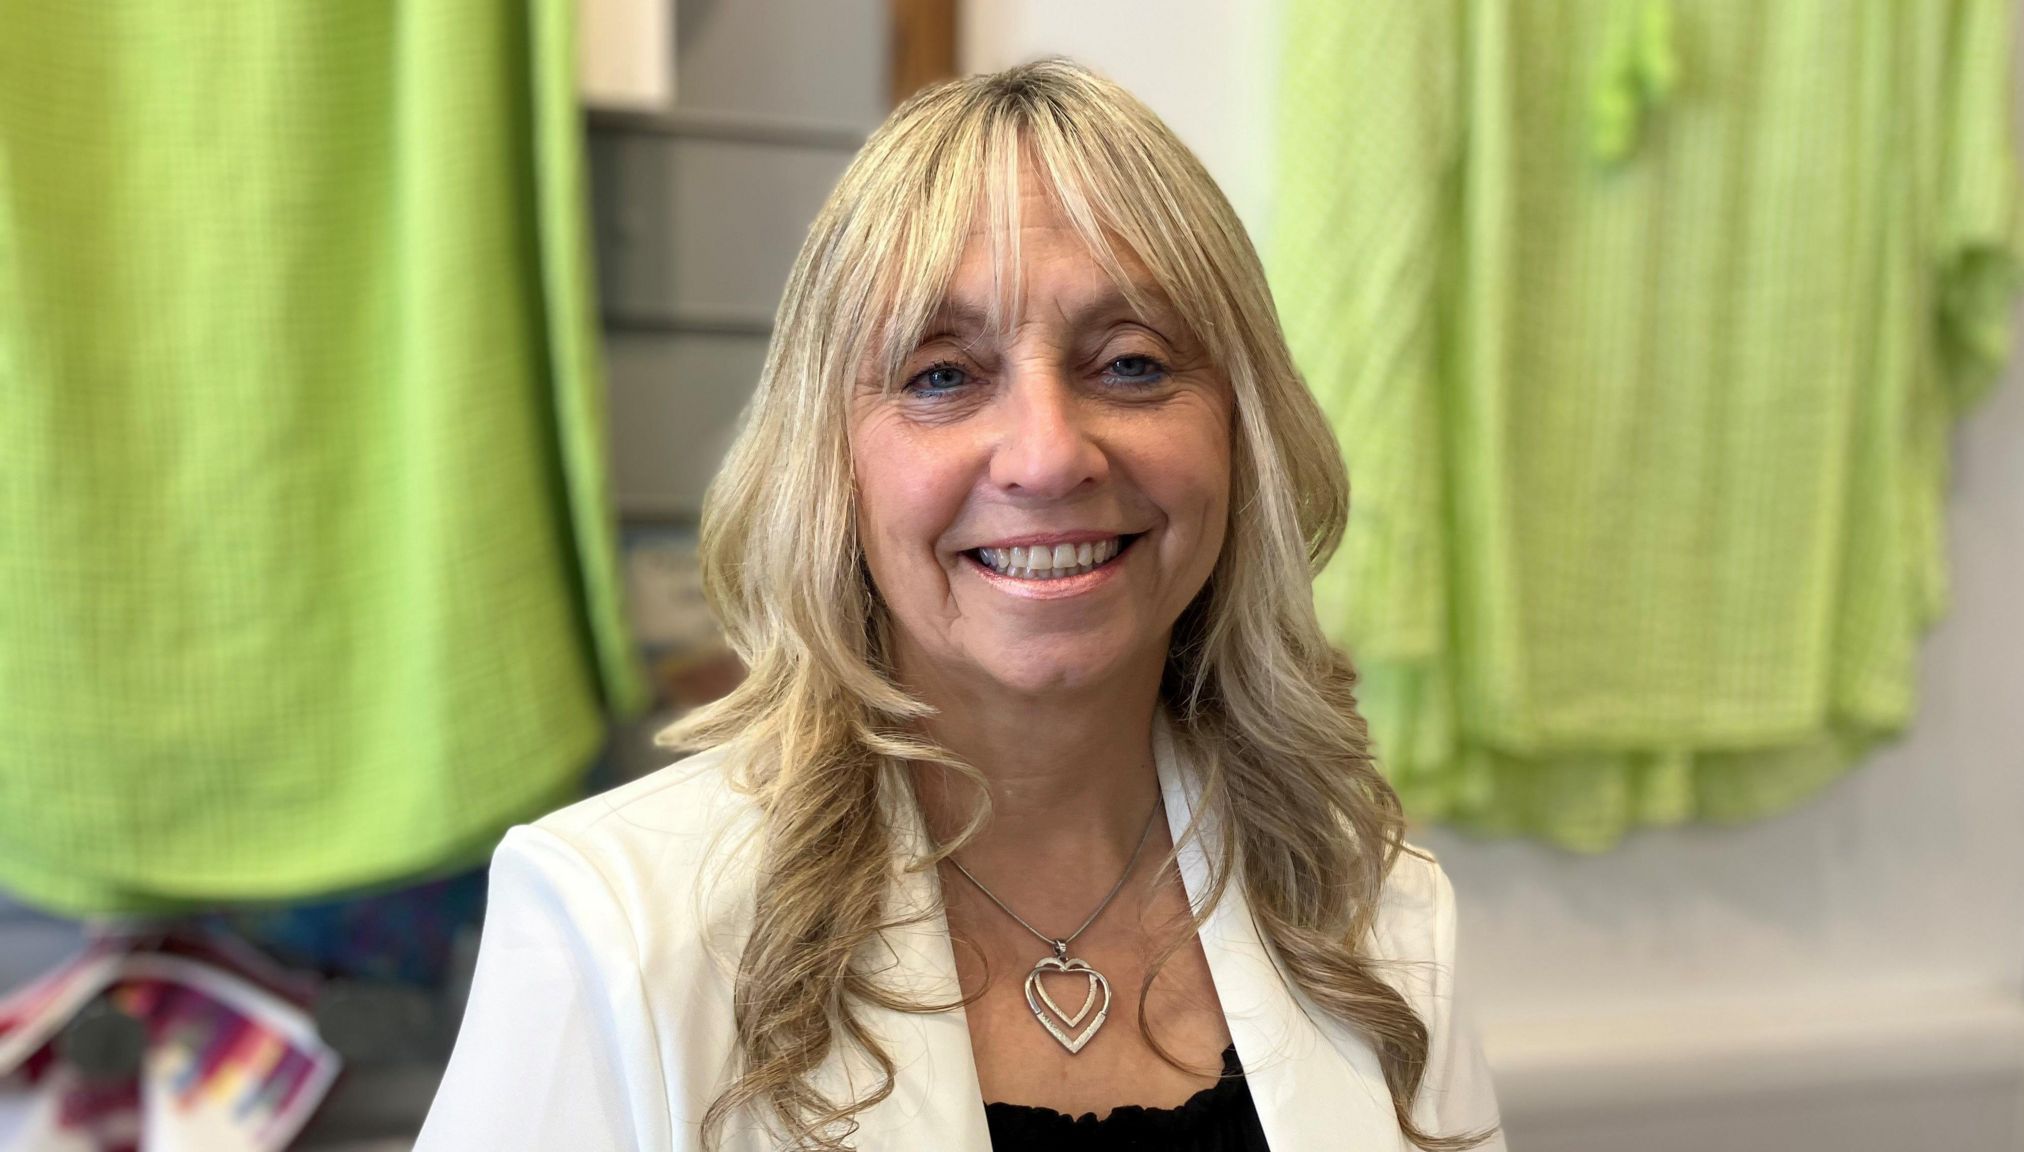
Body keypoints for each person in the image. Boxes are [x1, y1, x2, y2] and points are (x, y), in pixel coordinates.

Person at [414, 59, 1504, 1152]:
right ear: (829, 461)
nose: (1045, 456)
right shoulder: (613, 926)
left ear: (1242, 434)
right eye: (939, 375)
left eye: (1129, 364)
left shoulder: (1380, 915)